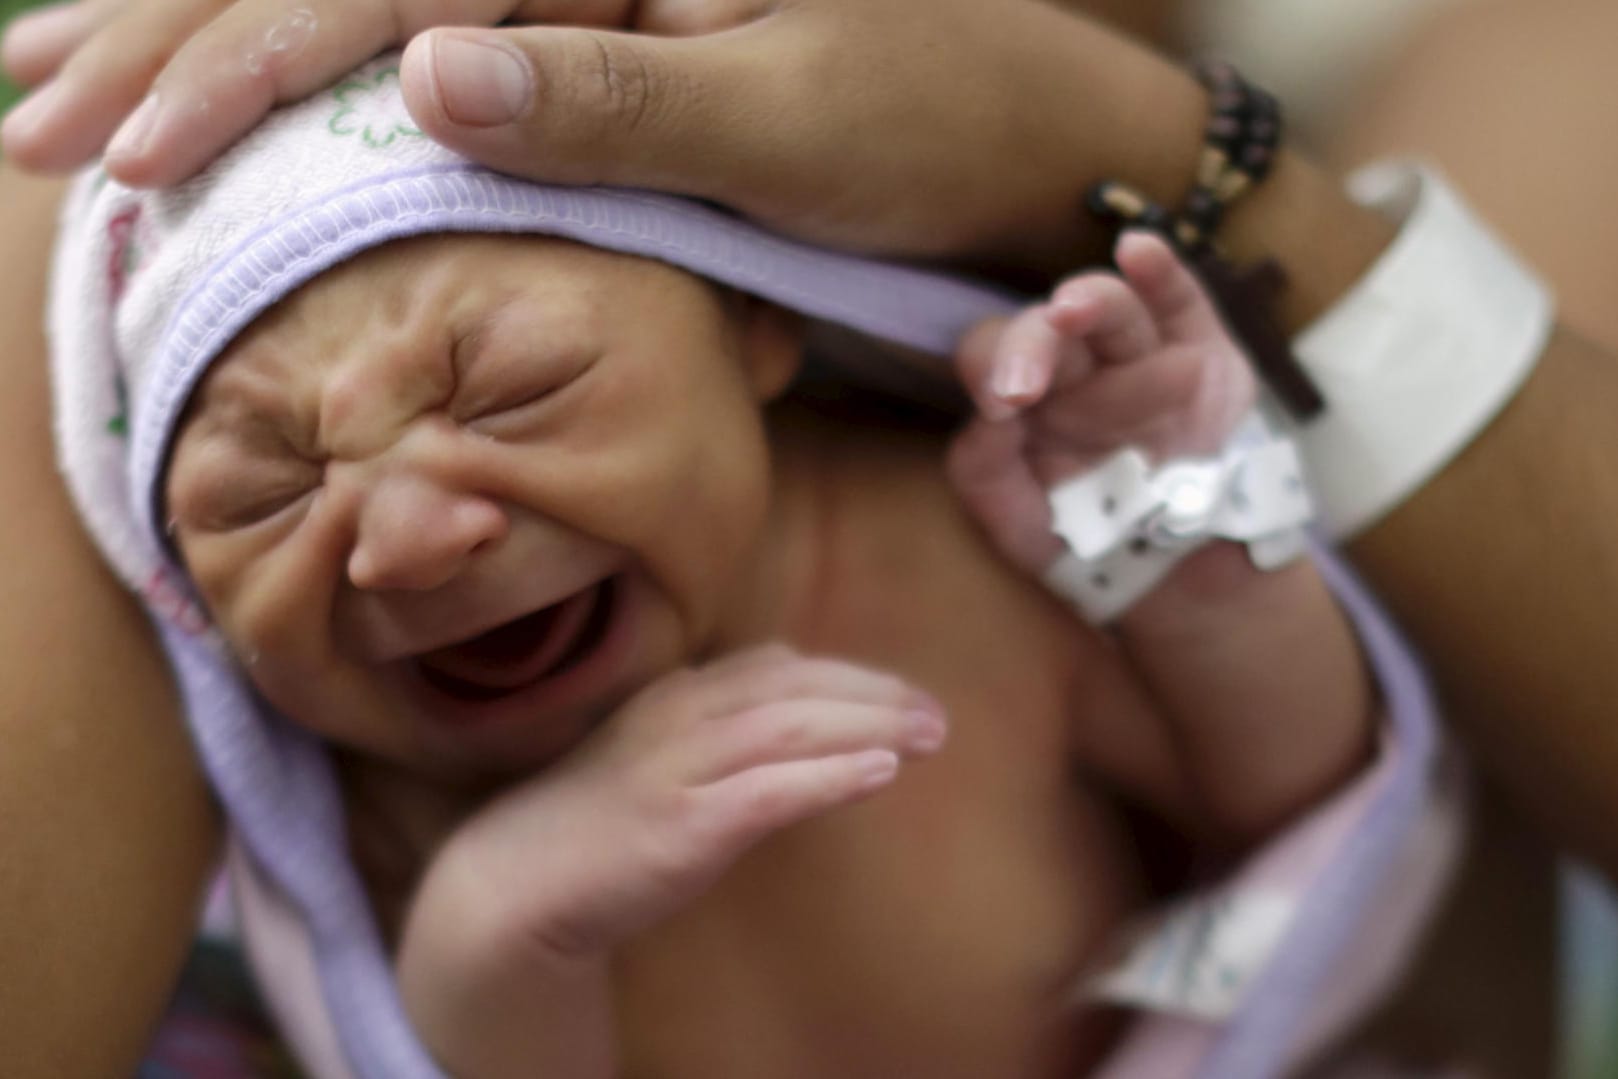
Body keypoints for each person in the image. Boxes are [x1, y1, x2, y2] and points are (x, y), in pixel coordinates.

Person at [0, 0, 1603, 1072]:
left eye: (511, 389)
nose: (405, 538)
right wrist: (506, 930)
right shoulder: (390, 801)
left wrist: (1187, 563)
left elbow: (1284, 813)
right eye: (257, 501)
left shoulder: (951, 552)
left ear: (759, 333)